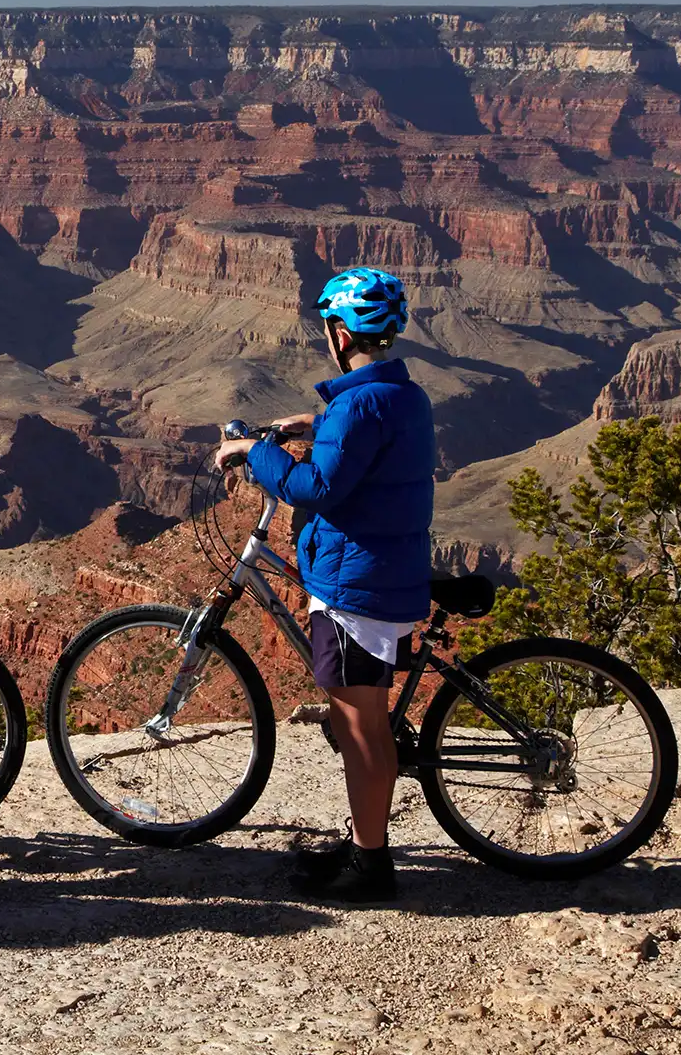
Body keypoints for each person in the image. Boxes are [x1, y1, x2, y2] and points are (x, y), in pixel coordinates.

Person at [216, 267, 434, 904]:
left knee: (360, 724)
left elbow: (313, 488)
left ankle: (372, 867)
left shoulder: (360, 404)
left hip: (354, 584)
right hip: (382, 571)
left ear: (340, 333)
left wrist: (254, 451)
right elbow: (365, 444)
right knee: (361, 718)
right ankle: (365, 841)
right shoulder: (402, 394)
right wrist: (319, 424)